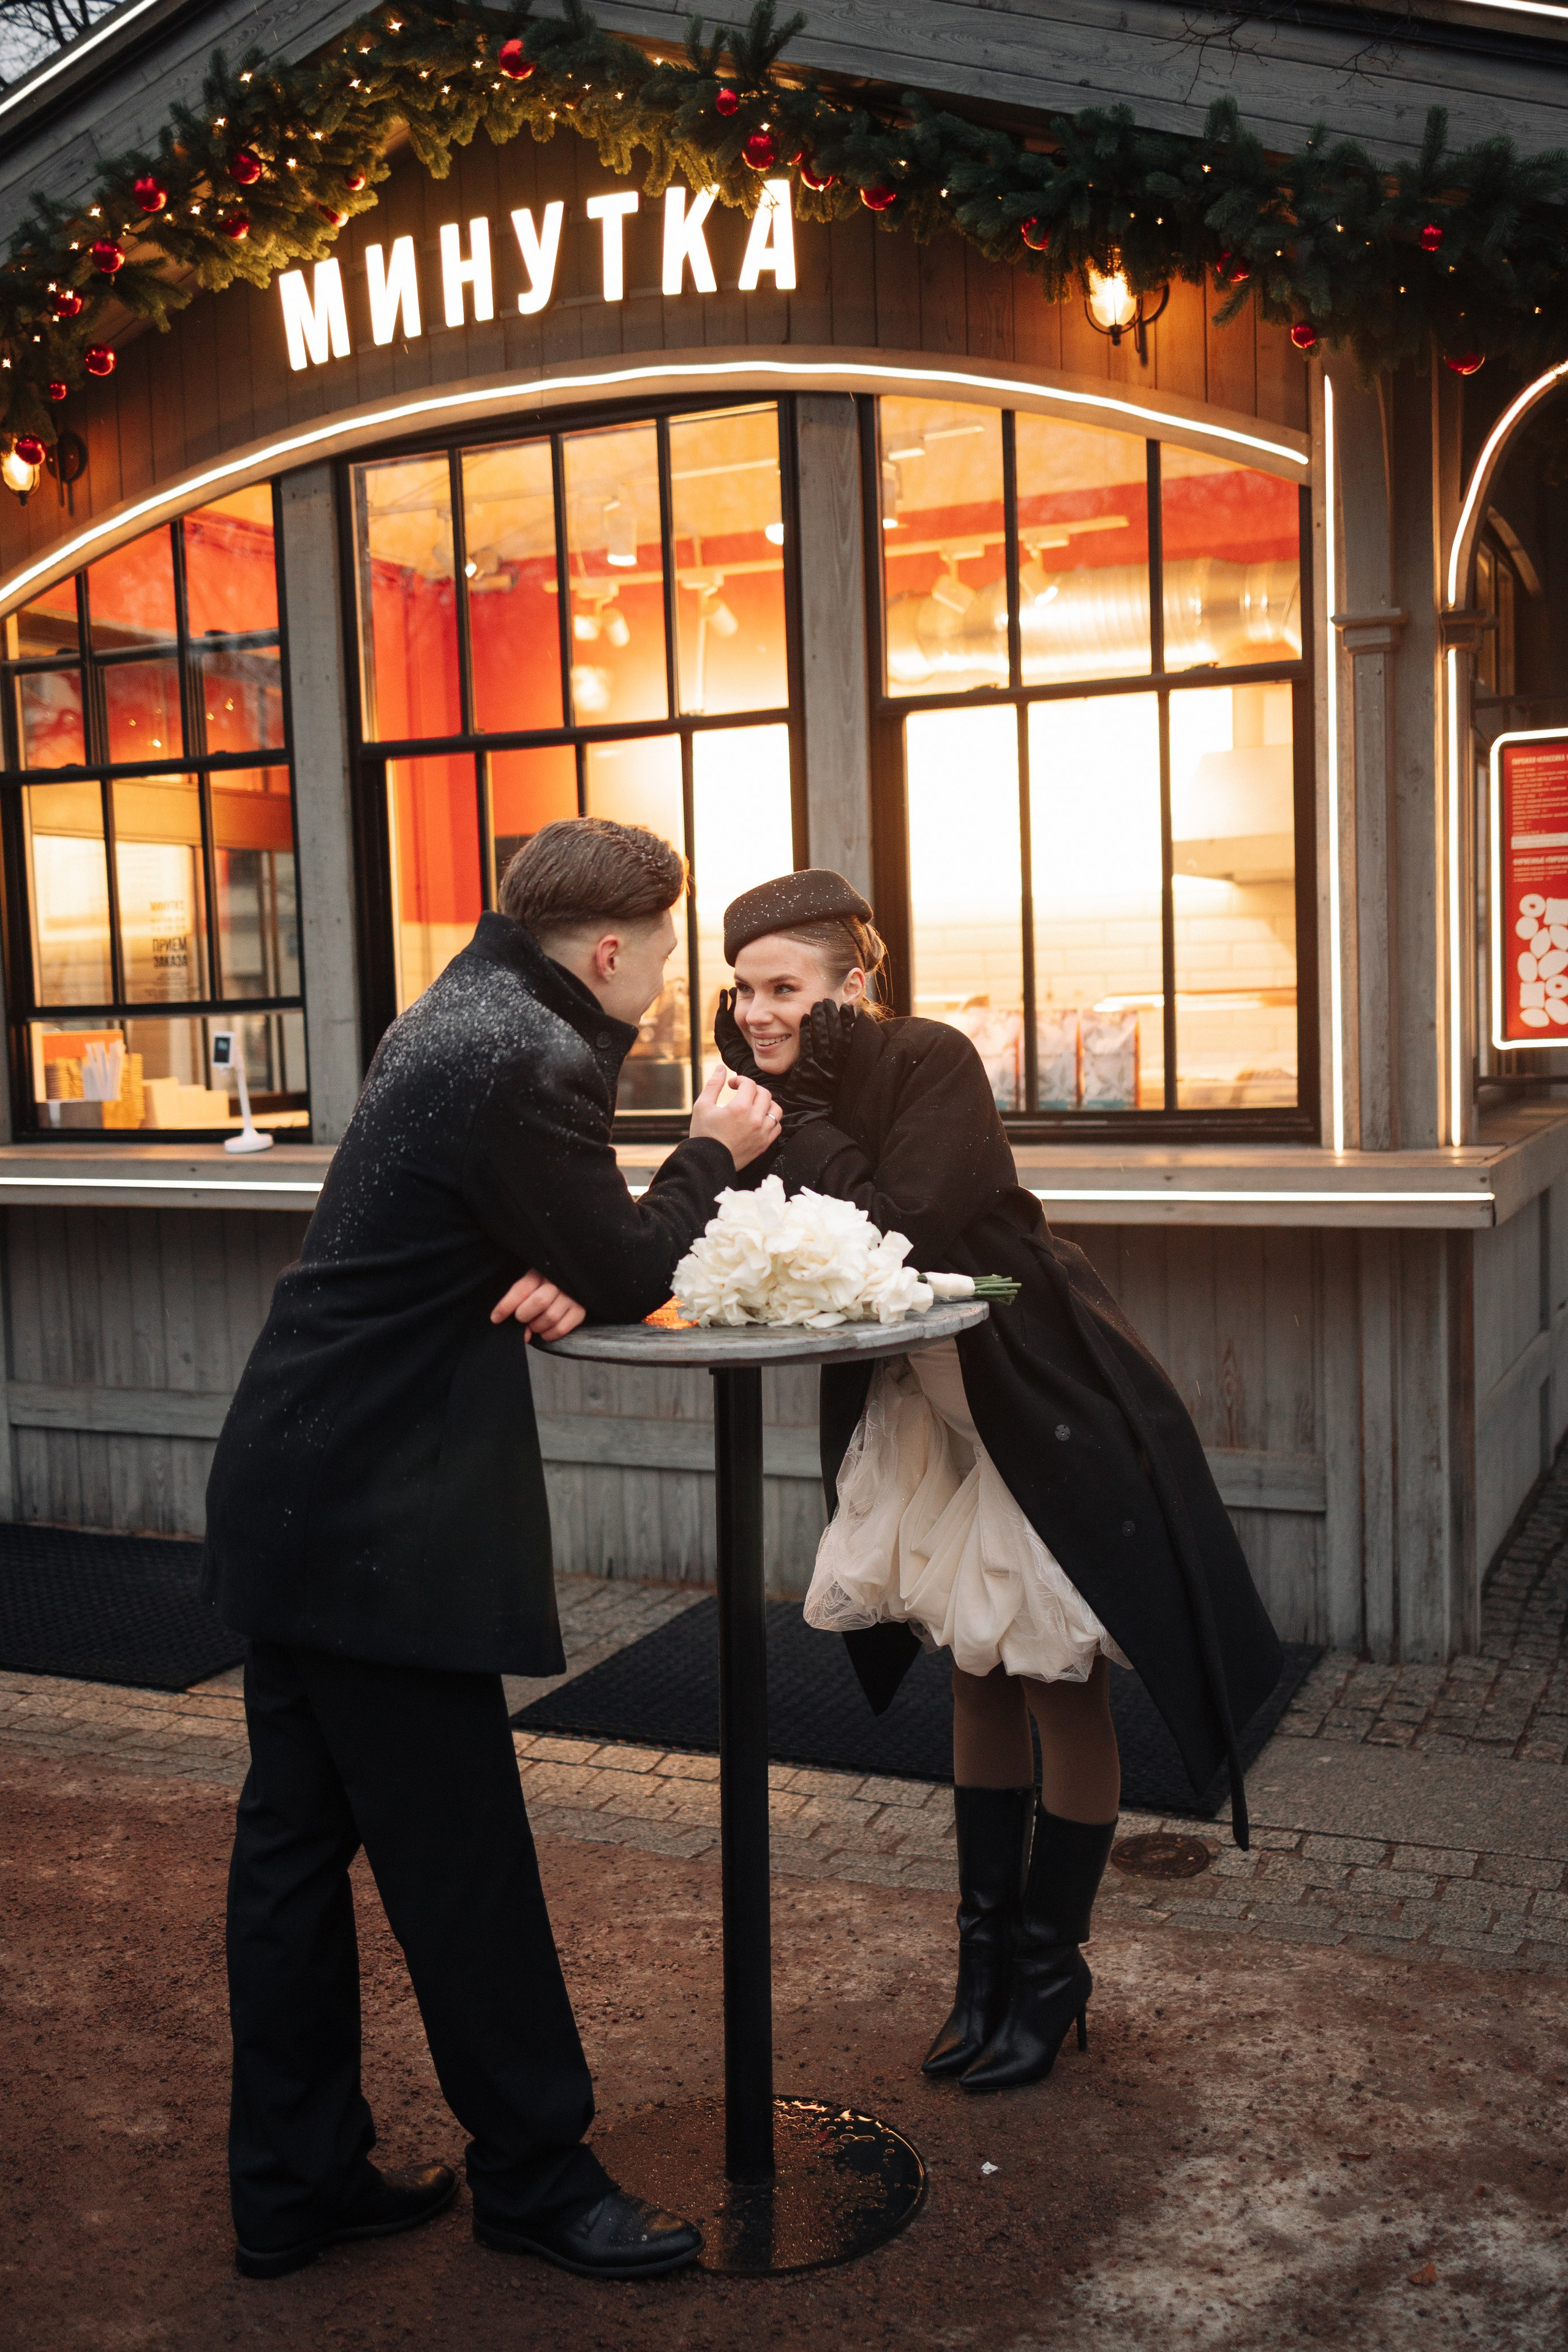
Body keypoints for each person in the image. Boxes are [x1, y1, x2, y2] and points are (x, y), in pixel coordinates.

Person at [202, 817, 780, 2282]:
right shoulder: (525, 1058)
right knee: (459, 1862)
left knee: (291, 1852)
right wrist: (710, 1150)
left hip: (295, 1479)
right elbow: (632, 1267)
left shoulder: (455, 1014)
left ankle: (295, 2182)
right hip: (377, 1520)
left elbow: (551, 1240)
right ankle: (533, 2177)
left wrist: (555, 1245)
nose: (668, 974)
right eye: (662, 948)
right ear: (605, 949)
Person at [714, 868, 1282, 2094]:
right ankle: (981, 1968)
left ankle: (1049, 1962)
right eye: (743, 988)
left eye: (785, 986)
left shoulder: (928, 1058)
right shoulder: (776, 1084)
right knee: (971, 1672)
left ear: (851, 981)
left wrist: (791, 1113)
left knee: (1053, 1680)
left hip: (1032, 1388)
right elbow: (760, 1229)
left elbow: (898, 1227)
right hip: (929, 1408)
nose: (758, 1010)